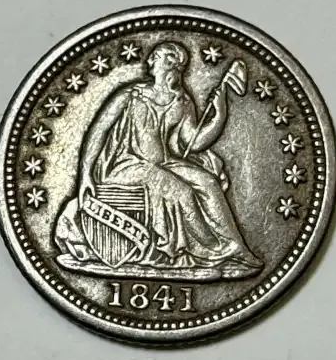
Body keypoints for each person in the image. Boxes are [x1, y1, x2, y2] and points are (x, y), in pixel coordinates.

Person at [55, 42, 263, 275]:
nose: (149, 61)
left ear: (172, 64)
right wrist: (85, 175)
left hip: (164, 163)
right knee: (181, 191)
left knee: (208, 183)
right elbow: (98, 132)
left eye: (156, 57)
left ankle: (237, 249)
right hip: (127, 165)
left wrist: (219, 112)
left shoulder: (182, 101)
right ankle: (212, 251)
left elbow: (194, 142)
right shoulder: (130, 96)